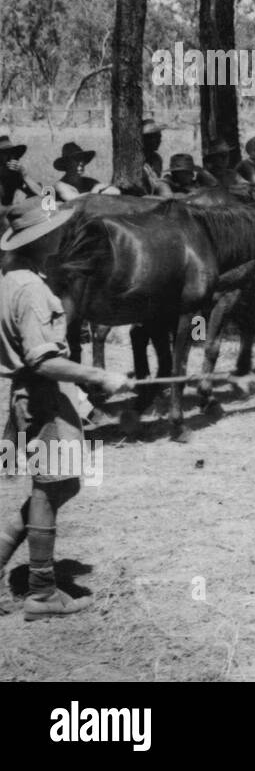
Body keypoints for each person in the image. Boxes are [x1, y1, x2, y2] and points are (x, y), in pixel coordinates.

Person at [0, 196, 131, 619]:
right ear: (38, 240)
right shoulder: (31, 290)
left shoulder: (13, 279)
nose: (60, 233)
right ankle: (42, 592)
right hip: (43, 398)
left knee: (64, 484)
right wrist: (98, 376)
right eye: (53, 229)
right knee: (50, 487)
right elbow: (42, 360)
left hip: (43, 396)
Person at [52, 142, 117, 201]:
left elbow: (114, 191)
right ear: (67, 163)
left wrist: (103, 189)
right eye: (76, 159)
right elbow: (75, 200)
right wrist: (96, 192)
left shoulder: (90, 182)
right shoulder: (60, 185)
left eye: (82, 159)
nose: (81, 163)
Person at [0, 136, 41, 213]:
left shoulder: (17, 175)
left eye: (12, 154)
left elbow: (42, 195)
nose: (10, 158)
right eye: (5, 154)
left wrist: (24, 175)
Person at [141, 118, 166, 195]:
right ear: (144, 139)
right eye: (154, 138)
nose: (159, 141)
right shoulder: (136, 159)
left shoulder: (157, 159)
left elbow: (156, 182)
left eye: (159, 137)